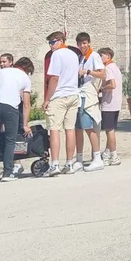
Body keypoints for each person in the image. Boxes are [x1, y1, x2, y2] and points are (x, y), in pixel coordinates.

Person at [0, 50, 33, 183]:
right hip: (11, 108)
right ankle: (7, 172)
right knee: (10, 141)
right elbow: (26, 104)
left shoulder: (1, 72)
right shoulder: (25, 77)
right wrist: (25, 124)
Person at [44, 31, 81, 176]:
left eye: (52, 42)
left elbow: (54, 78)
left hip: (59, 95)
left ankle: (54, 164)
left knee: (54, 129)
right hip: (73, 94)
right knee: (70, 129)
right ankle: (69, 163)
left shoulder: (57, 55)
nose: (51, 46)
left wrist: (47, 99)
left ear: (60, 40)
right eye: (49, 43)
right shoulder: (73, 54)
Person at [74, 32, 105, 172]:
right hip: (79, 94)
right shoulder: (80, 57)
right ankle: (79, 159)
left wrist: (88, 72)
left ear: (89, 43)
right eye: (80, 43)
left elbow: (103, 74)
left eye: (84, 43)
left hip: (87, 94)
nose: (82, 46)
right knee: (78, 128)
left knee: (88, 126)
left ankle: (97, 158)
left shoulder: (94, 56)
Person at [98, 47, 122, 166]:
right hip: (116, 103)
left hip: (109, 104)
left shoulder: (107, 68)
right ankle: (107, 153)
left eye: (101, 55)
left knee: (109, 131)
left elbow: (112, 85)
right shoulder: (115, 67)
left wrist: (101, 89)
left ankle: (114, 155)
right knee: (111, 130)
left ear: (108, 56)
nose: (100, 58)